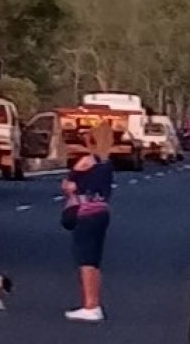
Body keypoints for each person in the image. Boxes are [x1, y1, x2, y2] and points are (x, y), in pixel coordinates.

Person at [60, 119, 115, 322]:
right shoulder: (107, 164)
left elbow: (69, 186)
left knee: (85, 260)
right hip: (102, 212)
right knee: (95, 260)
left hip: (85, 213)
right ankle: (94, 302)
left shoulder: (86, 162)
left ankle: (90, 305)